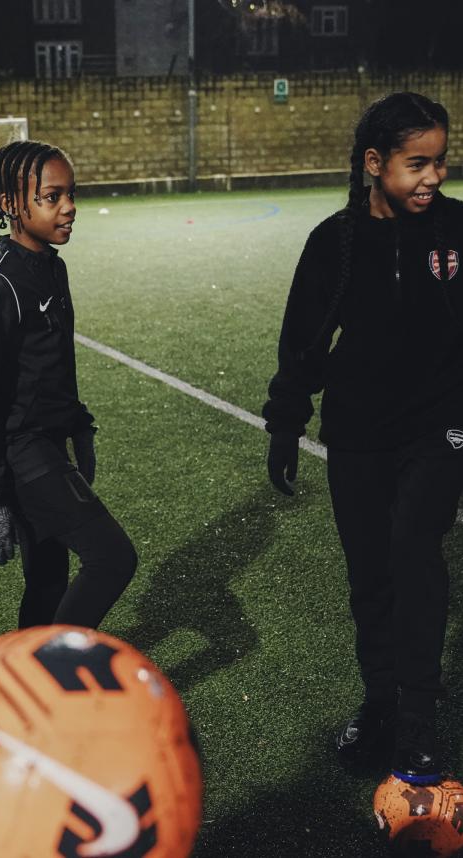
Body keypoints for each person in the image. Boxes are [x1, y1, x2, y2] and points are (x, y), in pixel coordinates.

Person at [263, 92, 463, 784]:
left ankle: (417, 720)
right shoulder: (334, 241)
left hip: (439, 428)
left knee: (415, 553)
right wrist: (285, 423)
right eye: (417, 163)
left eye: (440, 161)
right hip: (356, 432)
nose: (433, 176)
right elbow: (303, 340)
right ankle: (379, 703)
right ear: (374, 163)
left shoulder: (456, 230)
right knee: (370, 573)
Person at [0, 140, 137, 630]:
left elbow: (55, 368)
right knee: (113, 558)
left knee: (48, 579)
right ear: (10, 205)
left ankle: (28, 671)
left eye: (71, 194)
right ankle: (57, 665)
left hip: (49, 444)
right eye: (52, 197)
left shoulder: (52, 267)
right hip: (23, 453)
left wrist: (79, 428)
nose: (69, 207)